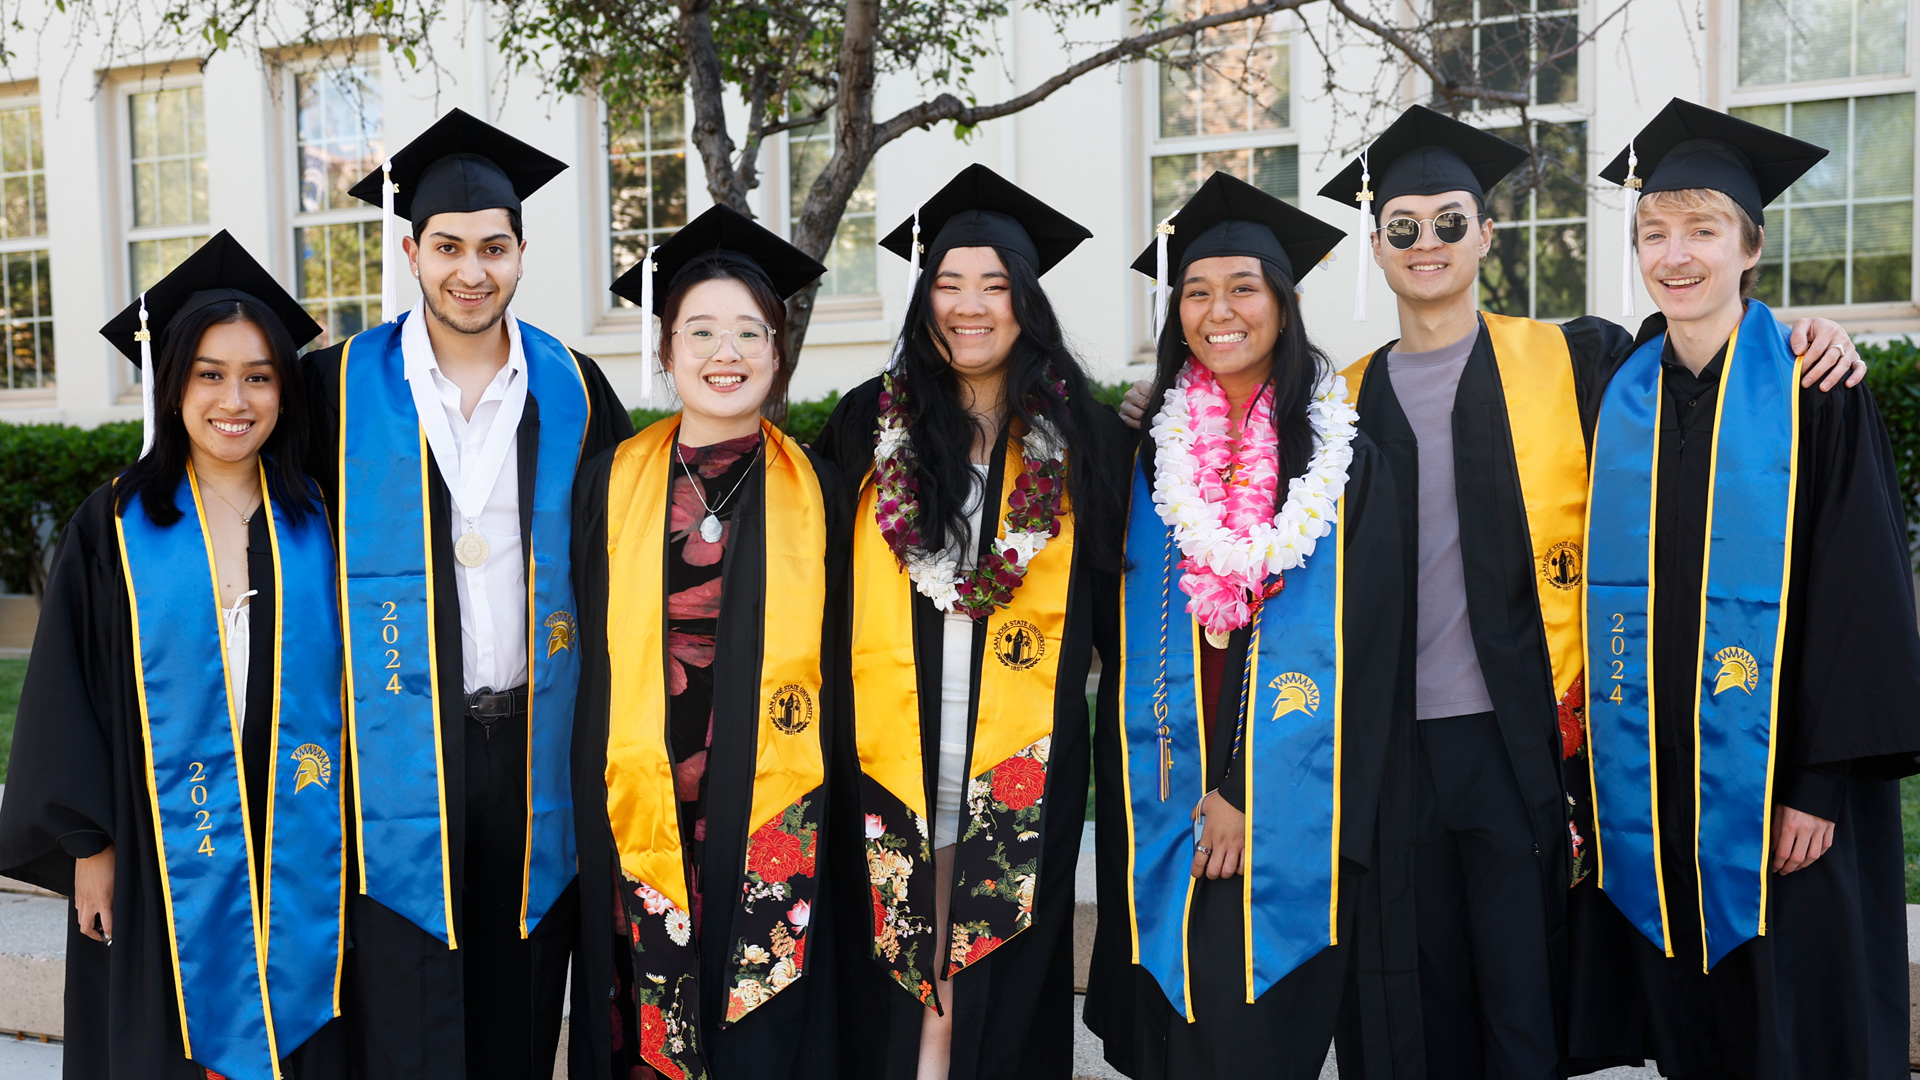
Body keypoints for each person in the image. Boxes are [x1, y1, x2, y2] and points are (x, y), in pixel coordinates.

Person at [1115, 107, 1862, 1079]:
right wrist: (1151, 404)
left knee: (1522, 997)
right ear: (1378, 247)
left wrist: (1801, 334)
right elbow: (1248, 557)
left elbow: (1702, 378)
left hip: (1523, 748)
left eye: (1450, 223)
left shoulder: (1579, 363)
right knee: (1408, 1004)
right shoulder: (1329, 406)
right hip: (1379, 758)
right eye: (1404, 229)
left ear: (1487, 234)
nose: (1428, 245)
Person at [1572, 97, 1920, 1079]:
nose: (1676, 255)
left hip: (1783, 785)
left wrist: (1818, 785)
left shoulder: (1817, 388)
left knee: (1794, 1028)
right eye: (1655, 232)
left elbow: (1860, 596)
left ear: (1751, 247)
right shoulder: (1616, 389)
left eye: (1703, 229)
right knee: (1693, 1026)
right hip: (1658, 776)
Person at [302, 108, 632, 1080]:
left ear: (522, 252)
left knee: (521, 1008)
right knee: (403, 1011)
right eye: (448, 247)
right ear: (410, 251)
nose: (471, 270)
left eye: (493, 247)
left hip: (538, 749)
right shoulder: (332, 391)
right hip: (395, 758)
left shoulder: (573, 390)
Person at [1079, 171, 1406, 1080]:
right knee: (1172, 1030)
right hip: (1158, 792)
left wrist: (1245, 788)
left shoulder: (1341, 459)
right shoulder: (1145, 457)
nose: (1218, 311)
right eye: (1196, 292)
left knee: (1248, 1032)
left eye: (1242, 289)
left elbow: (1366, 649)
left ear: (1284, 304)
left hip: (1281, 795)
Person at [0, 232, 348, 1080]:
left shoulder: (317, 518)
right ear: (172, 383)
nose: (236, 399)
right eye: (210, 374)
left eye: (259, 375)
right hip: (161, 844)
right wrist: (90, 847)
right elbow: (63, 696)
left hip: (299, 837)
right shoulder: (115, 525)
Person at [815, 163, 1128, 1080]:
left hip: (1022, 761)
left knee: (984, 994)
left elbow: (1118, 607)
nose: (969, 305)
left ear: (1027, 301)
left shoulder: (1089, 444)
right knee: (899, 989)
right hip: (885, 755)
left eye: (994, 284)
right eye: (948, 283)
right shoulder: (868, 426)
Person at [567, 205, 841, 1080]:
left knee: (763, 1023)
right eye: (701, 331)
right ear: (665, 348)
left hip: (774, 796)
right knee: (645, 1021)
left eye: (749, 333)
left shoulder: (825, 492)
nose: (726, 354)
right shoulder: (608, 482)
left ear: (777, 348)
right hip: (638, 797)